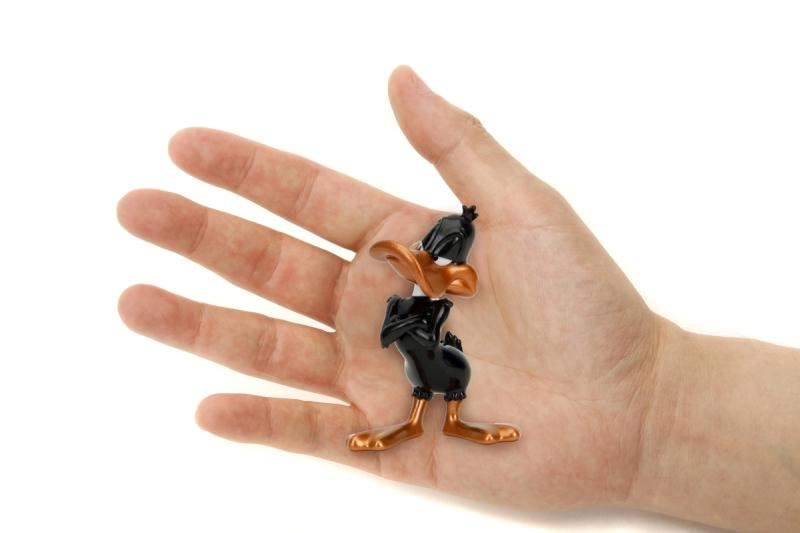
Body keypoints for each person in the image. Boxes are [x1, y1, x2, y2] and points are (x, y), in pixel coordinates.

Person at [116, 66, 800, 531]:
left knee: (434, 371)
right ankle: (429, 414)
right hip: (429, 334)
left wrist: (647, 404)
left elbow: (438, 296)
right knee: (424, 375)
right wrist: (652, 409)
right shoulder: (420, 293)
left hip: (441, 339)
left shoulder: (443, 293)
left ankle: (444, 413)